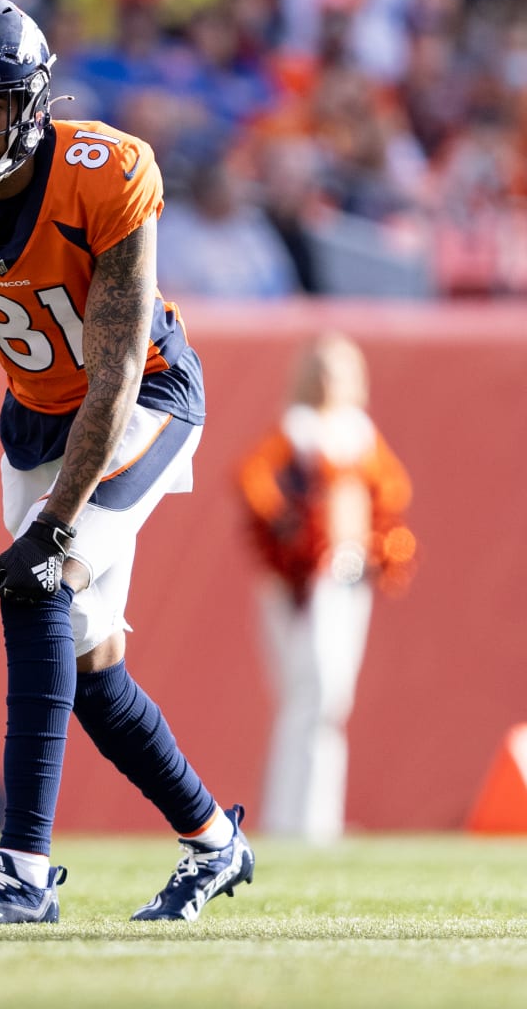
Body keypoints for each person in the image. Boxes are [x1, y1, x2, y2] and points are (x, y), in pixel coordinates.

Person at [0, 0, 254, 925]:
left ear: (33, 104)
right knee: (88, 669)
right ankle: (214, 841)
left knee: (45, 583)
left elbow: (118, 364)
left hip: (144, 400)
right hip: (35, 417)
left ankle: (23, 872)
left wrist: (50, 525)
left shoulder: (107, 169)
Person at [237, 332, 415, 844]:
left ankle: (318, 819)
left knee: (329, 700)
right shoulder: (296, 430)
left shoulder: (360, 431)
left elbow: (394, 489)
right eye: (322, 368)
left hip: (349, 576)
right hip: (302, 582)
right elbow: (254, 482)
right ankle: (290, 819)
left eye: (339, 369)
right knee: (308, 697)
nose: (330, 379)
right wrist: (292, 530)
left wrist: (378, 544)